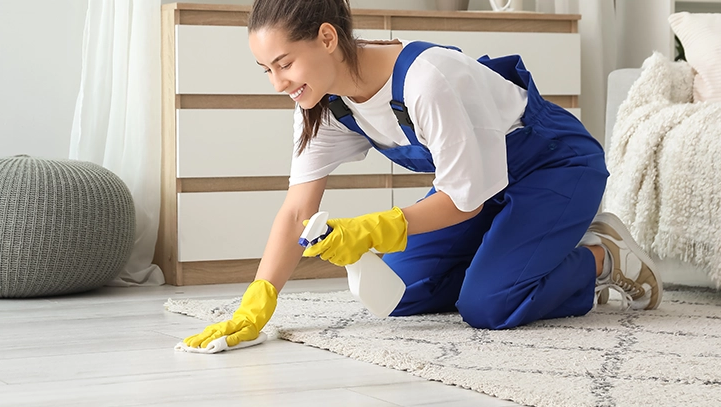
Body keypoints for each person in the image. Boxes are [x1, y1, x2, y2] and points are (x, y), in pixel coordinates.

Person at [182, 0, 663, 350]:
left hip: (553, 165)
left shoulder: (425, 79)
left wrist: (371, 227)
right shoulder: (322, 103)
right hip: (479, 182)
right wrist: (258, 300)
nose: (278, 83)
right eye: (266, 69)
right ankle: (510, 256)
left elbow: (463, 199)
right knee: (398, 291)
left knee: (488, 306)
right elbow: (295, 212)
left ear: (327, 38)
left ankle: (602, 258)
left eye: (284, 64)